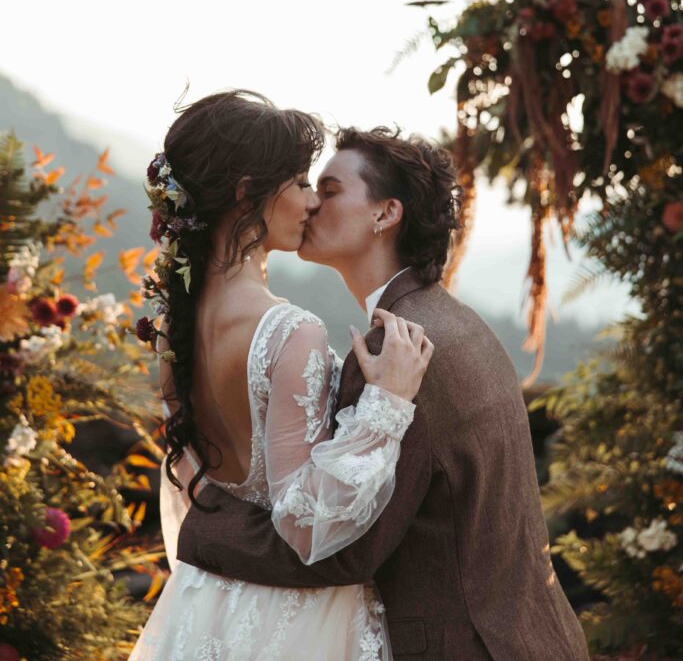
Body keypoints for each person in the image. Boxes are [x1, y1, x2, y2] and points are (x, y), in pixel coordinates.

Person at [177, 125, 591, 661]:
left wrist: (203, 526)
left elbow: (344, 552)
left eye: (328, 191)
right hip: (530, 635)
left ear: (384, 214)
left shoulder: (395, 355)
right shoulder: (451, 319)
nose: (307, 204)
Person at [128, 90, 434, 661]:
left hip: (205, 600)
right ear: (248, 194)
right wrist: (387, 404)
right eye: (297, 183)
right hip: (295, 622)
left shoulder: (176, 325)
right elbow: (303, 521)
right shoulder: (290, 331)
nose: (310, 202)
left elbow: (199, 487)